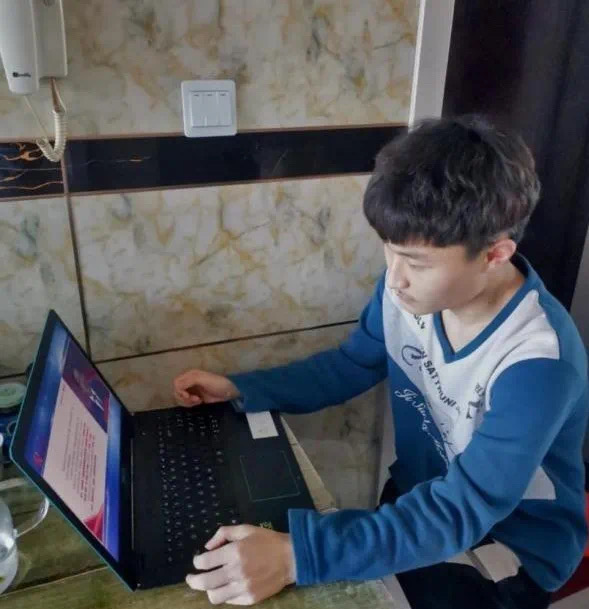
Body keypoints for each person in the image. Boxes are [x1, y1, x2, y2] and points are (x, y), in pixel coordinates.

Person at [173, 116, 589, 608]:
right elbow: (349, 365)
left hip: (509, 541)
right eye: (390, 252)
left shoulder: (538, 361)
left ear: (494, 254)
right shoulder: (407, 295)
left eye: (415, 262)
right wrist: (242, 388)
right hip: (422, 495)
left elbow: (462, 510)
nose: (394, 279)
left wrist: (296, 556)